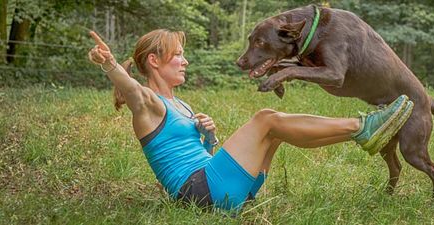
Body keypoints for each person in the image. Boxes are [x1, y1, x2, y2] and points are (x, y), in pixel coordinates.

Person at [87, 29, 413, 212]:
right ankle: (362, 127)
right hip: (202, 193)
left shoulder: (180, 104)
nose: (185, 61)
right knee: (266, 120)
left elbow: (200, 153)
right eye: (178, 55)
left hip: (221, 188)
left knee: (276, 132)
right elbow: (131, 89)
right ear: (154, 62)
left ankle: (364, 135)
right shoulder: (148, 103)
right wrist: (110, 65)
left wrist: (209, 137)